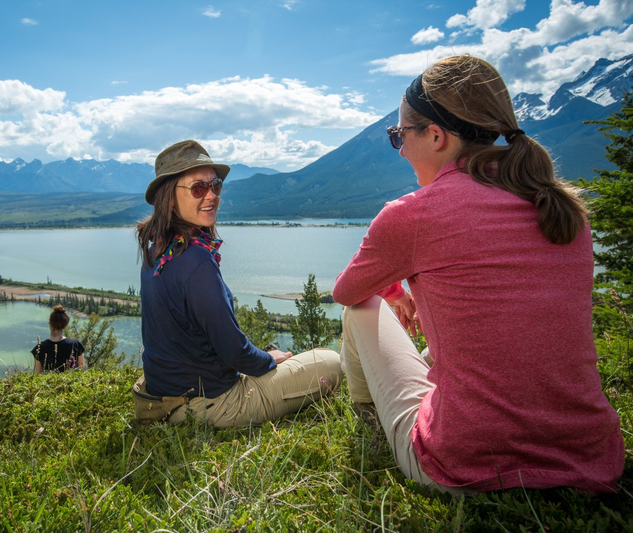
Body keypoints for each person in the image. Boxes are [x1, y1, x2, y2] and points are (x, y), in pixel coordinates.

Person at [333, 55, 624, 495]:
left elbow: (347, 290)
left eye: (399, 136)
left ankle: (371, 423)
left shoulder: (413, 216)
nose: (401, 149)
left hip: (464, 463)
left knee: (360, 309)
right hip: (591, 459)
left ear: (435, 136)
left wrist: (392, 287)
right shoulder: (562, 208)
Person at [134, 139, 342, 427]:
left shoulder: (158, 249)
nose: (211, 196)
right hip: (210, 404)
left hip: (163, 397)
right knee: (330, 362)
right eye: (198, 188)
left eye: (215, 185)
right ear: (170, 196)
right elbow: (234, 352)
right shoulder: (196, 261)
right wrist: (269, 360)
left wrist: (258, 357)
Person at [31, 304, 85, 373]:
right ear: (65, 324)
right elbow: (81, 370)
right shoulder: (75, 344)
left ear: (49, 321)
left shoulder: (39, 348)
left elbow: (38, 375)